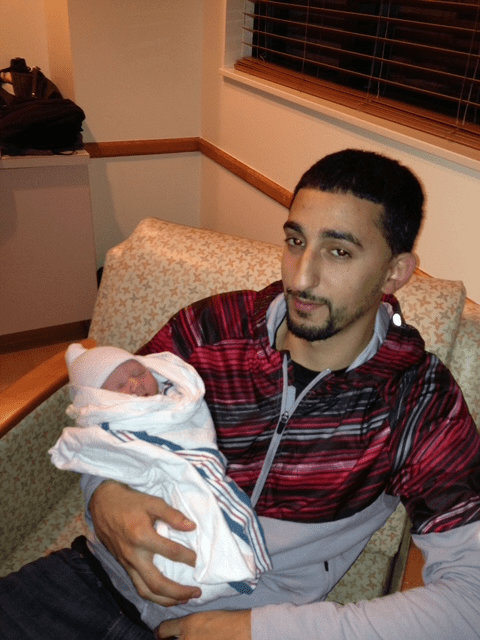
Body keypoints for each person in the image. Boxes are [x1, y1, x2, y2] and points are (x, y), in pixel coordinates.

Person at [1, 148, 479, 640]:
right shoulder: (213, 329)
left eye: (339, 251)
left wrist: (258, 630)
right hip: (93, 582)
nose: (301, 277)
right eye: (295, 241)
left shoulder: (416, 402)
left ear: (395, 271)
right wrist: (103, 492)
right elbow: (107, 409)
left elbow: (472, 599)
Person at [49, 344, 272, 607]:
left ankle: (220, 567)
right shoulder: (109, 423)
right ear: (98, 400)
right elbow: (93, 450)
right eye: (119, 385)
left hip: (210, 606)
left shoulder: (178, 400)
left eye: (139, 372)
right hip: (99, 560)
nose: (135, 383)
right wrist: (101, 492)